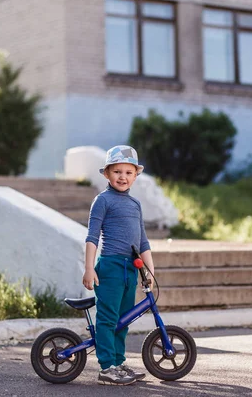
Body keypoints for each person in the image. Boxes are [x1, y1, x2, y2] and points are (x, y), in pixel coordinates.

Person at [83, 145, 155, 386]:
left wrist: (149, 270)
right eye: (117, 172)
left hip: (131, 269)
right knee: (108, 318)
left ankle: (118, 361)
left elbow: (143, 241)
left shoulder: (135, 204)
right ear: (107, 174)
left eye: (128, 172)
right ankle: (106, 367)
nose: (122, 177)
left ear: (135, 175)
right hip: (111, 267)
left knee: (124, 319)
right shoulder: (102, 201)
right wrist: (89, 268)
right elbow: (92, 237)